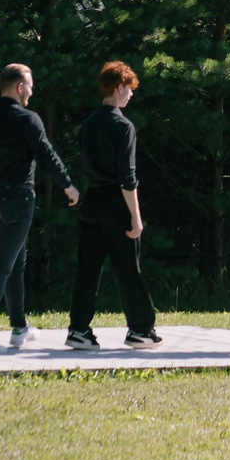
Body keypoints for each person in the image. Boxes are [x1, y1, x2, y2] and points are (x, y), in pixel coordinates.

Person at [0, 63, 79, 353]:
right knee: (2, 265)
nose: (32, 90)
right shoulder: (28, 119)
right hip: (18, 199)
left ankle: (20, 328)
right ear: (19, 87)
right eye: (30, 85)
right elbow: (46, 154)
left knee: (15, 262)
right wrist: (68, 185)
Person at [67, 60, 160, 351]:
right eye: (130, 89)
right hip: (116, 207)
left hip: (92, 203)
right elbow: (127, 178)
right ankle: (140, 330)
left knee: (88, 270)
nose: (131, 94)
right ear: (119, 87)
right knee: (128, 269)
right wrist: (136, 215)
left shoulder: (88, 124)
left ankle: (78, 330)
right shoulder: (123, 126)